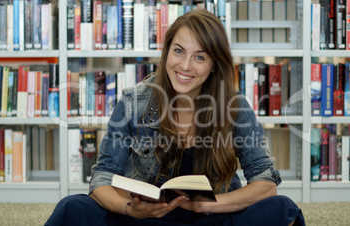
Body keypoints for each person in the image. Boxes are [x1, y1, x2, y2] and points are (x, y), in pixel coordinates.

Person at [45, 8, 305, 226]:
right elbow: (102, 178)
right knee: (72, 207)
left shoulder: (235, 107)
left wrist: (211, 205)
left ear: (214, 65)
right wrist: (129, 209)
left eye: (200, 57)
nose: (185, 66)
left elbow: (266, 184)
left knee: (282, 208)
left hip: (209, 219)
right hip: (146, 220)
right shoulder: (132, 102)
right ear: (167, 51)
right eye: (179, 51)